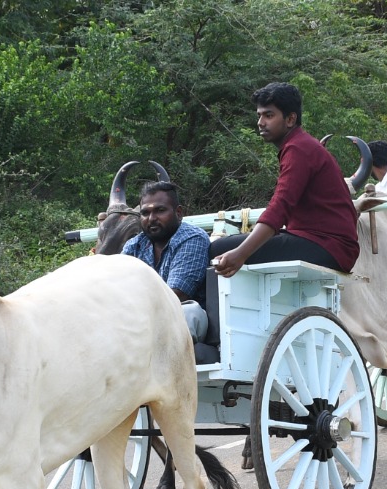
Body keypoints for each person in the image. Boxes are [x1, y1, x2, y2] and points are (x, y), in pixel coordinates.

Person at [209, 82, 361, 278]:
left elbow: (279, 208)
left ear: (290, 119)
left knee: (217, 249)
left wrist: (240, 254)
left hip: (328, 245)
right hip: (322, 242)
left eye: (269, 115)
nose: (260, 122)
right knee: (230, 246)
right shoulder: (300, 145)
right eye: (259, 115)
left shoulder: (298, 148)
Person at [117, 181, 210, 341]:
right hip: (139, 317)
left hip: (178, 314)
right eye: (145, 213)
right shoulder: (134, 245)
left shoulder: (192, 238)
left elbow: (175, 295)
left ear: (178, 212)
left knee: (189, 313)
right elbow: (118, 291)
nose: (151, 218)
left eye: (160, 211)